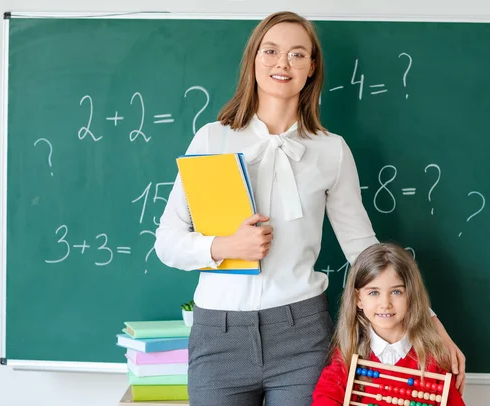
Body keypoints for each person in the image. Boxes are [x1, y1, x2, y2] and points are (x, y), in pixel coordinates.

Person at [154, 11, 464, 406]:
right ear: (254, 58)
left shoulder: (330, 150)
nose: (282, 63)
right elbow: (167, 242)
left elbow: (363, 249)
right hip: (219, 334)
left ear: (311, 67)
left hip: (302, 335)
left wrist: (431, 322)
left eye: (297, 54)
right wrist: (224, 246)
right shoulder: (213, 138)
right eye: (271, 51)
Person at [312, 243, 466, 406]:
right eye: (373, 292)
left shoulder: (433, 359)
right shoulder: (348, 355)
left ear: (411, 296)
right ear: (358, 299)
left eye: (396, 292)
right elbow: (326, 397)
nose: (385, 303)